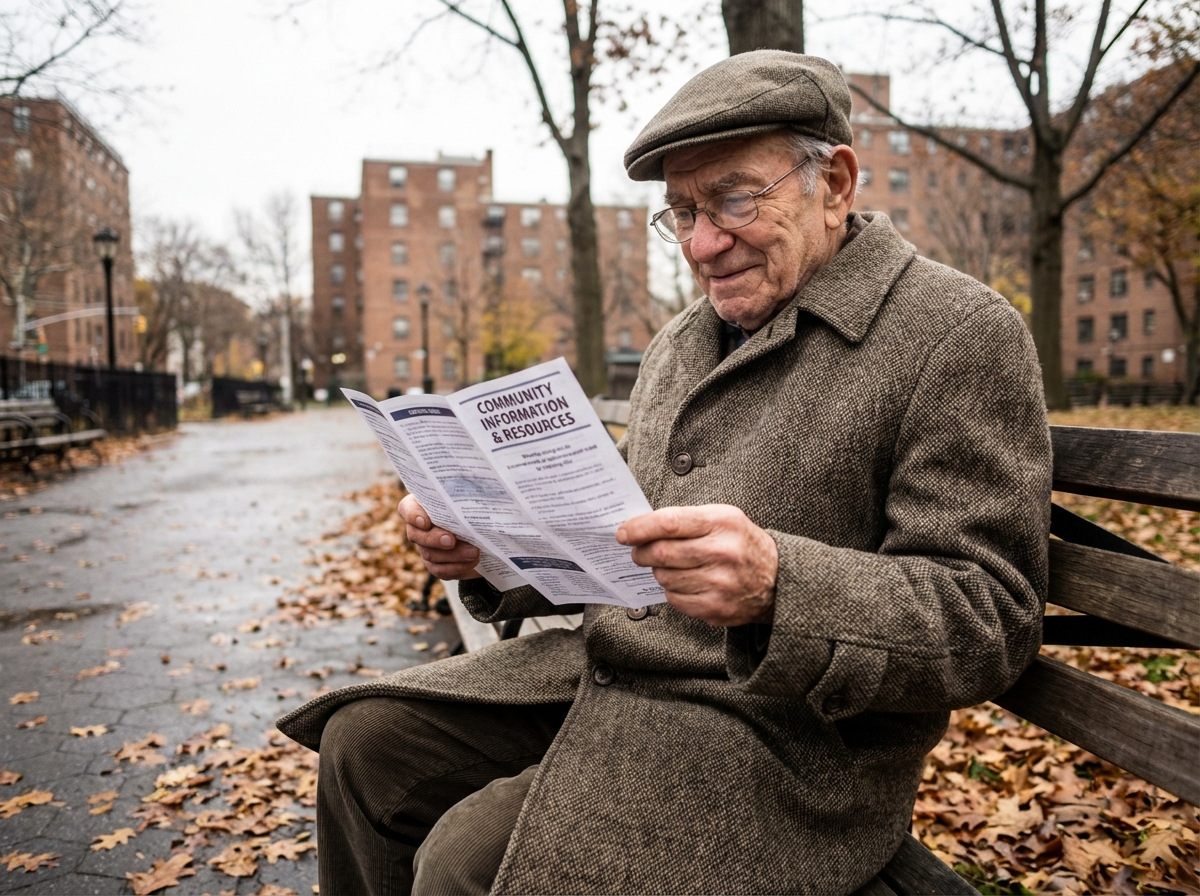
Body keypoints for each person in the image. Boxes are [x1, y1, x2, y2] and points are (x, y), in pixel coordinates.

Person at [279, 50, 1051, 895]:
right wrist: (487, 548)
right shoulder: (682, 341)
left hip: (783, 742)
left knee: (468, 861)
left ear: (835, 183)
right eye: (681, 211)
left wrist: (781, 587)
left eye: (731, 197)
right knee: (363, 746)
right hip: (610, 672)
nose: (702, 243)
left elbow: (991, 617)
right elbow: (621, 546)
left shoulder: (957, 331)